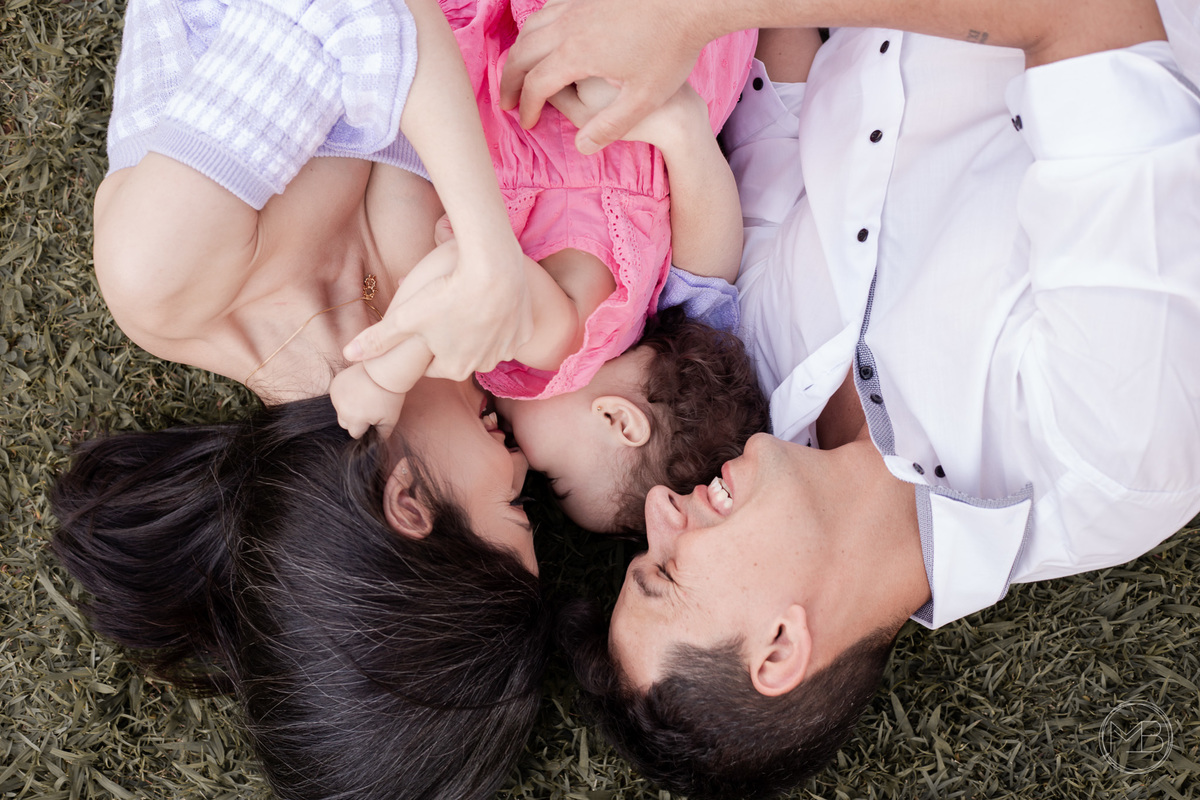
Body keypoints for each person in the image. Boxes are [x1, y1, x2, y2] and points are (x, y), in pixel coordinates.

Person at [498, 0, 1200, 797]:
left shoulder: (752, 372)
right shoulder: (1101, 453)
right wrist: (695, 14)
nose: (660, 507)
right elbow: (1090, 20)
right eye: (665, 570)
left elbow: (779, 102)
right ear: (778, 648)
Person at [57, 0, 552, 797]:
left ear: (409, 504)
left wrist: (487, 249)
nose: (524, 455)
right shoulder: (431, 341)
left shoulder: (167, 280)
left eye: (518, 506)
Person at [331, 0, 769, 533]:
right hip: (568, 70)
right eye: (554, 476)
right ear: (617, 419)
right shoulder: (567, 345)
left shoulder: (662, 313)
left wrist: (688, 135)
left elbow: (712, 263)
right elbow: (475, 287)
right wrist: (384, 376)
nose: (521, 458)